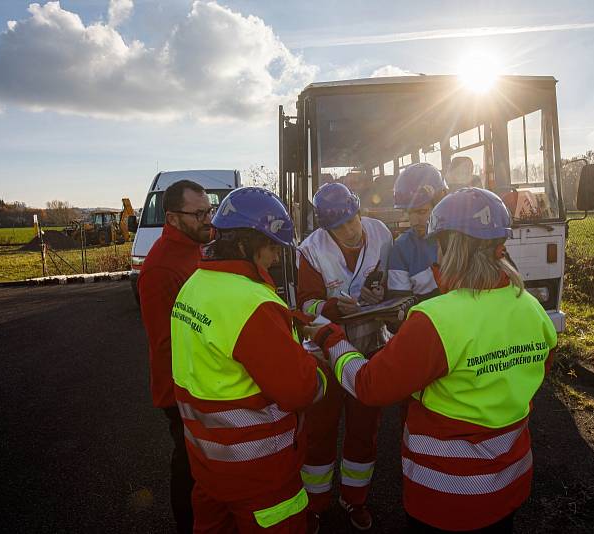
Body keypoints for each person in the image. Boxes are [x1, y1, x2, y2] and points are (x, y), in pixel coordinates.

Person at [311, 188, 558, 533]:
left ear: (450, 246)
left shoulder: (434, 319)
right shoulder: (531, 308)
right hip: (509, 481)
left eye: (438, 243)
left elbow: (369, 386)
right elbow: (536, 372)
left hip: (448, 494)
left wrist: (331, 339)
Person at [171, 186, 327, 533]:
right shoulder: (252, 303)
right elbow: (300, 390)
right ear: (246, 244)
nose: (274, 257)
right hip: (260, 473)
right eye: (271, 247)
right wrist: (318, 370)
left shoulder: (195, 284)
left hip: (208, 466)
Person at [296, 182, 392, 532]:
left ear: (358, 210)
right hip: (325, 354)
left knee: (364, 431)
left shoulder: (380, 233)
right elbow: (306, 305)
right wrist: (332, 307)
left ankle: (355, 500)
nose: (351, 230)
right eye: (340, 227)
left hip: (369, 348)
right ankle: (315, 504)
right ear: (325, 228)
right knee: (320, 432)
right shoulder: (310, 250)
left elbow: (392, 281)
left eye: (353, 220)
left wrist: (381, 293)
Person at [137, 179, 213, 534]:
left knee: (204, 464)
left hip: (202, 380)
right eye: (199, 214)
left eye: (208, 210)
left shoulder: (196, 246)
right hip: (182, 389)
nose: (207, 219)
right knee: (188, 464)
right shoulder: (160, 268)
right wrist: (190, 392)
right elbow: (165, 343)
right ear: (172, 217)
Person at [388, 162, 448, 302]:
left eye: (422, 212)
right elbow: (399, 306)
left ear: (441, 204)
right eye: (409, 213)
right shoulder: (401, 248)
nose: (414, 222)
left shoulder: (465, 238)